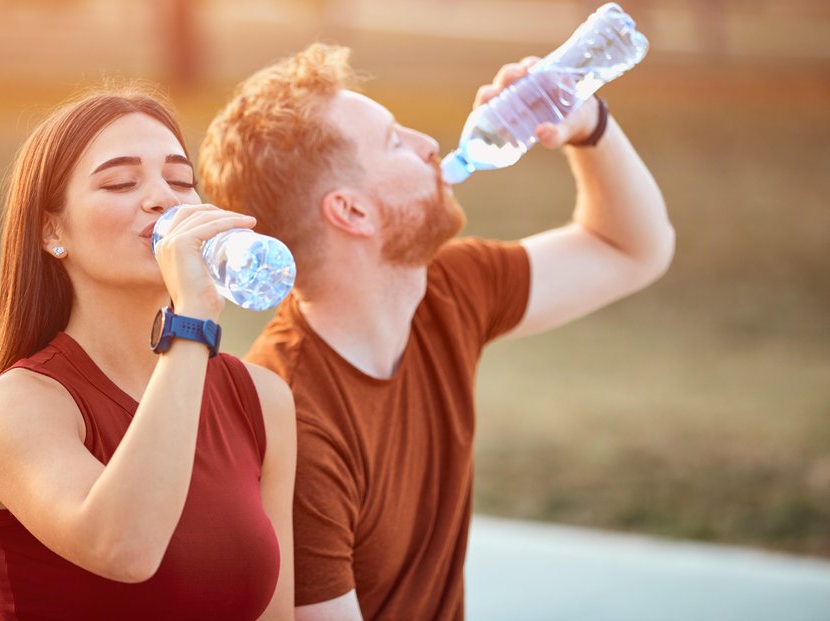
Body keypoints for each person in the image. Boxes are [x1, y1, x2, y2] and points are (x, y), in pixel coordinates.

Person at [198, 43, 674, 620]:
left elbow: (632, 248)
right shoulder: (294, 426)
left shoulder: (446, 290)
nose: (429, 145)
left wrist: (587, 125)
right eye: (395, 141)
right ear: (351, 212)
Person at [0, 87, 296, 621]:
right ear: (52, 230)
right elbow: (125, 548)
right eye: (120, 182)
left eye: (181, 181)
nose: (164, 198)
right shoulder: (14, 407)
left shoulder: (262, 400)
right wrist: (192, 320)